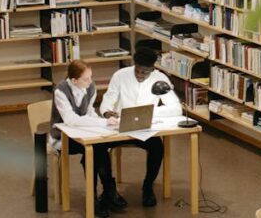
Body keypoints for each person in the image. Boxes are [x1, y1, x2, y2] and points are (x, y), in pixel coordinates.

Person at [99, 47, 182, 207]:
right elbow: (108, 99)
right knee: (99, 148)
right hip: (119, 128)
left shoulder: (160, 79)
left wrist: (149, 113)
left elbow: (176, 108)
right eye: (137, 71)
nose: (139, 75)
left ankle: (148, 186)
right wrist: (107, 113)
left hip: (144, 130)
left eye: (144, 73)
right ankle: (109, 188)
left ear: (152, 69)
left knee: (157, 148)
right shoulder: (120, 75)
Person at [51, 60, 125, 217]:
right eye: (86, 79)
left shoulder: (90, 88)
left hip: (84, 133)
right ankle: (106, 192)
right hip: (63, 136)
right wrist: (102, 122)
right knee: (96, 148)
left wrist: (103, 124)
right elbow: (71, 120)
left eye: (90, 77)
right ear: (74, 80)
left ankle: (101, 194)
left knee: (97, 146)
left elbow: (89, 112)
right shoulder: (61, 91)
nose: (90, 82)